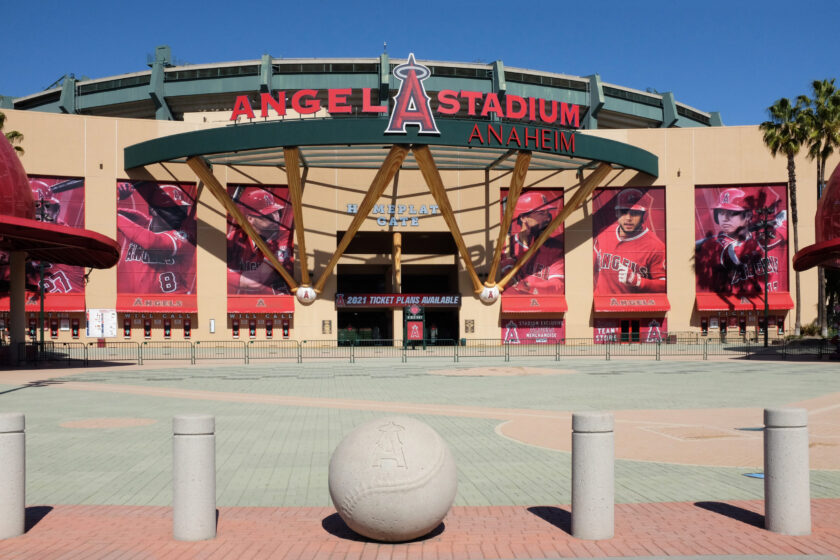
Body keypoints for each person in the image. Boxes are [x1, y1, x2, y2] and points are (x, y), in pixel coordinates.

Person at [695, 187, 786, 296]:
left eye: (731, 213)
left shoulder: (765, 234)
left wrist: (778, 222)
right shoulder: (716, 245)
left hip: (773, 300)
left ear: (748, 215)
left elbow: (785, 223)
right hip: (734, 305)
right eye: (720, 212)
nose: (724, 218)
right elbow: (733, 251)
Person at [117, 182, 196, 294]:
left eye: (181, 210)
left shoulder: (186, 236)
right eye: (171, 209)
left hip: (176, 302)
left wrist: (116, 218)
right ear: (153, 210)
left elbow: (152, 242)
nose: (178, 214)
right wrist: (117, 195)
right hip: (141, 304)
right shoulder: (140, 221)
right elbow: (105, 212)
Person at [594, 188, 666, 294]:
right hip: (601, 305)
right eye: (624, 212)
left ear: (644, 216)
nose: (628, 218)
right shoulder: (604, 233)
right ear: (617, 214)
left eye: (635, 213)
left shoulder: (656, 246)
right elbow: (588, 268)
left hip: (630, 306)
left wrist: (638, 281)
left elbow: (666, 286)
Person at [227, 187, 293, 295]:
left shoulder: (285, 237)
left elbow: (255, 281)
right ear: (250, 219)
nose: (276, 218)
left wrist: (222, 274)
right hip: (246, 304)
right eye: (268, 215)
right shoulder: (235, 236)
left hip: (279, 303)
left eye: (276, 212)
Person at [500, 192, 564, 295]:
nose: (548, 218)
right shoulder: (505, 248)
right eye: (541, 213)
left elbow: (558, 287)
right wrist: (503, 271)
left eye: (547, 213)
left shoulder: (555, 249)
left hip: (543, 307)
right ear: (523, 218)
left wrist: (527, 286)